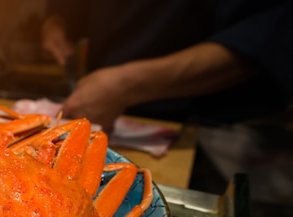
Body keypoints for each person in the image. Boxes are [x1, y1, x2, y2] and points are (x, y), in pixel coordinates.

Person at [41, 0, 293, 131]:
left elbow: (267, 34)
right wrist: (56, 19)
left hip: (212, 126)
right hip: (103, 111)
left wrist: (128, 84)